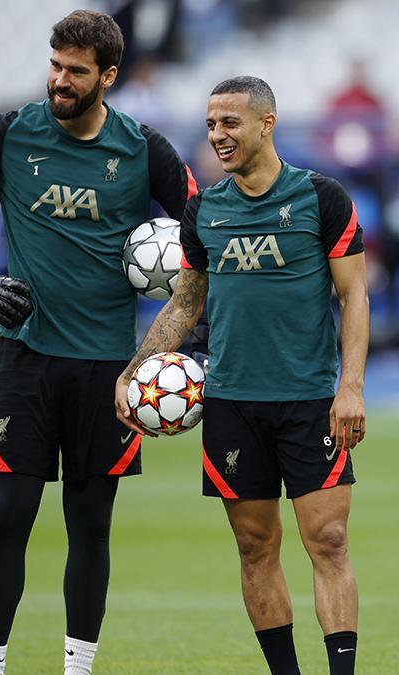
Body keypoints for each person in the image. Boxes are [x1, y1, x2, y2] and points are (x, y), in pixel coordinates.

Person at [0, 11, 196, 675]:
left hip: (109, 372)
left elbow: (205, 226)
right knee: (9, 516)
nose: (59, 80)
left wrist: (185, 313)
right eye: (55, 65)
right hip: (26, 360)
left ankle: (76, 668)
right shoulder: (7, 133)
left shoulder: (145, 150)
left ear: (108, 76)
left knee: (90, 524)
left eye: (75, 71)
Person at [115, 75, 369, 675]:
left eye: (230, 123)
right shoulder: (202, 210)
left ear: (266, 124)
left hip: (309, 401)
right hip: (229, 403)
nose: (217, 136)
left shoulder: (322, 198)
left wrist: (350, 387)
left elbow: (355, 297)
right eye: (210, 125)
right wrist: (133, 374)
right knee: (255, 546)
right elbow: (184, 304)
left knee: (328, 542)